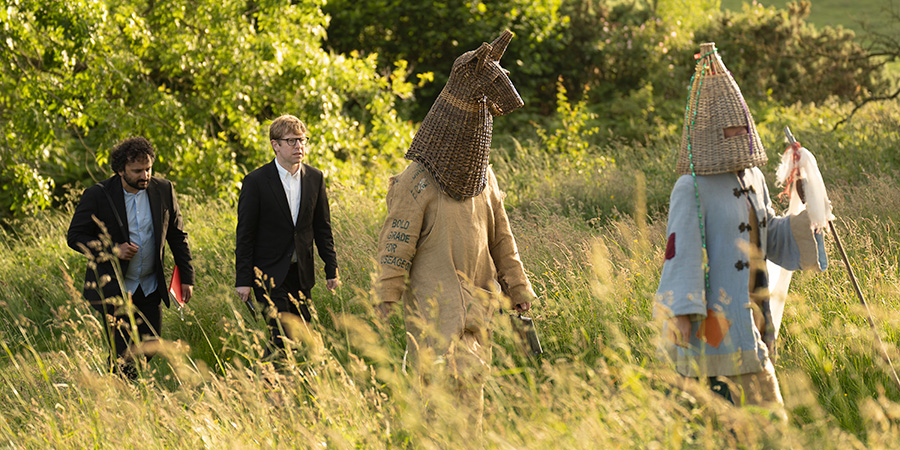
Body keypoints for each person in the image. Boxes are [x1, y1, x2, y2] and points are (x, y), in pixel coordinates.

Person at [374, 30, 536, 432]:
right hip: (434, 310)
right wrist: (386, 296)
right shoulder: (417, 179)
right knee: (435, 397)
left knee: (473, 396)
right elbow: (395, 243)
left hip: (480, 303)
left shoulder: (487, 178)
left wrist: (518, 288)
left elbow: (503, 239)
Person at [655, 43, 828, 413]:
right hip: (711, 327)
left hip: (753, 318)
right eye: (727, 128)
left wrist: (811, 213)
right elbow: (679, 251)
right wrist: (681, 314)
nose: (736, 132)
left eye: (739, 126)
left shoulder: (753, 178)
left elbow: (772, 241)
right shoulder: (691, 187)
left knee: (760, 422)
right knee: (728, 420)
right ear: (710, 131)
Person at [67, 136, 195, 377]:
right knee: (122, 351)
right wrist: (112, 250)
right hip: (114, 287)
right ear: (120, 171)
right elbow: (75, 236)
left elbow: (178, 236)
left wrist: (186, 277)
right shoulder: (97, 194)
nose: (145, 175)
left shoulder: (164, 189)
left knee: (150, 345)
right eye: (137, 171)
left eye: (148, 169)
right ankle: (121, 398)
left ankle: (119, 386)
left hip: (149, 286)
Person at [235, 114, 339, 352]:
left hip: (301, 274)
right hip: (268, 275)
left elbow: (323, 228)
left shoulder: (315, 178)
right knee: (282, 337)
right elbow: (245, 235)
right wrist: (243, 280)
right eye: (291, 141)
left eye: (302, 140)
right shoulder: (256, 181)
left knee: (303, 337)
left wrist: (331, 267)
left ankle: (275, 384)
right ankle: (273, 386)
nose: (299, 146)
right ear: (276, 145)